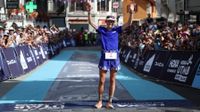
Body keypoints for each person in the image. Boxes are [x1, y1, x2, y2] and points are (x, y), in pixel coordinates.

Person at [85, 1, 135, 109]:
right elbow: (90, 22)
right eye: (109, 22)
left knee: (113, 80)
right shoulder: (101, 29)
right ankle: (99, 101)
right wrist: (89, 12)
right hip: (104, 57)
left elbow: (129, 23)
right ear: (106, 22)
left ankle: (110, 101)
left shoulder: (117, 30)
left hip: (114, 57)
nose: (110, 23)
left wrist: (131, 13)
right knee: (102, 80)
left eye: (112, 22)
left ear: (114, 22)